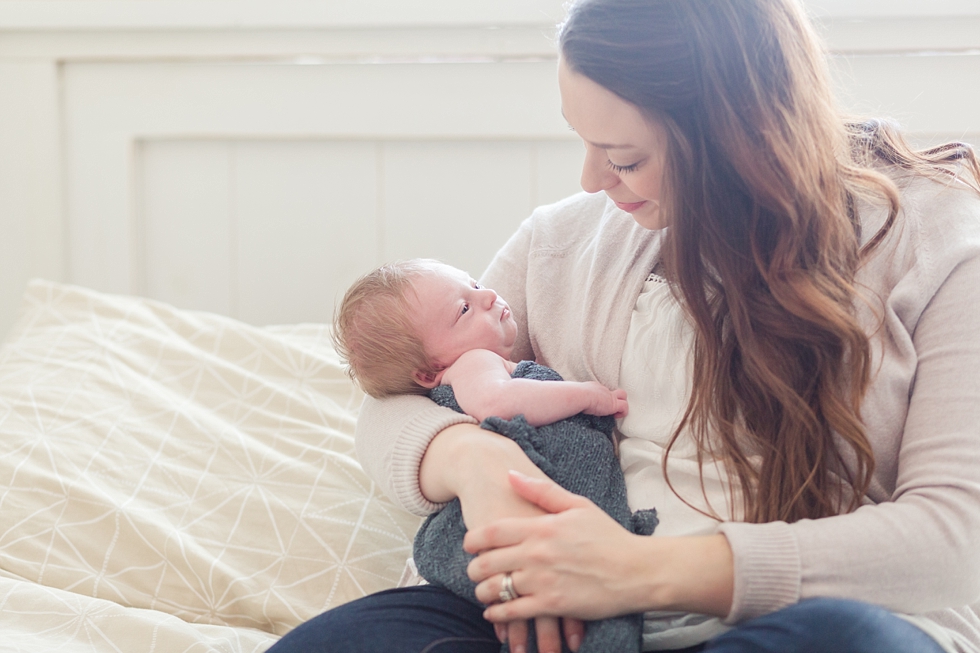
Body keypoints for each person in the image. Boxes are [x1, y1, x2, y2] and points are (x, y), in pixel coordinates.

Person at [269, 0, 980, 652]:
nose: (590, 181)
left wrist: (637, 569)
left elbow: (956, 538)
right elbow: (392, 403)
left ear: (739, 133)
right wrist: (478, 463)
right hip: (564, 618)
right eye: (585, 143)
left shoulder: (934, 240)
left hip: (792, 619)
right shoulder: (562, 245)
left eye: (625, 158)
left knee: (849, 641)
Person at [331, 258, 658, 652]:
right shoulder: (474, 363)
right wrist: (586, 394)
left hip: (553, 543)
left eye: (473, 284)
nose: (486, 294)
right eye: (463, 309)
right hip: (516, 538)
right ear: (430, 371)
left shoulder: (479, 359)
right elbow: (496, 403)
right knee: (589, 626)